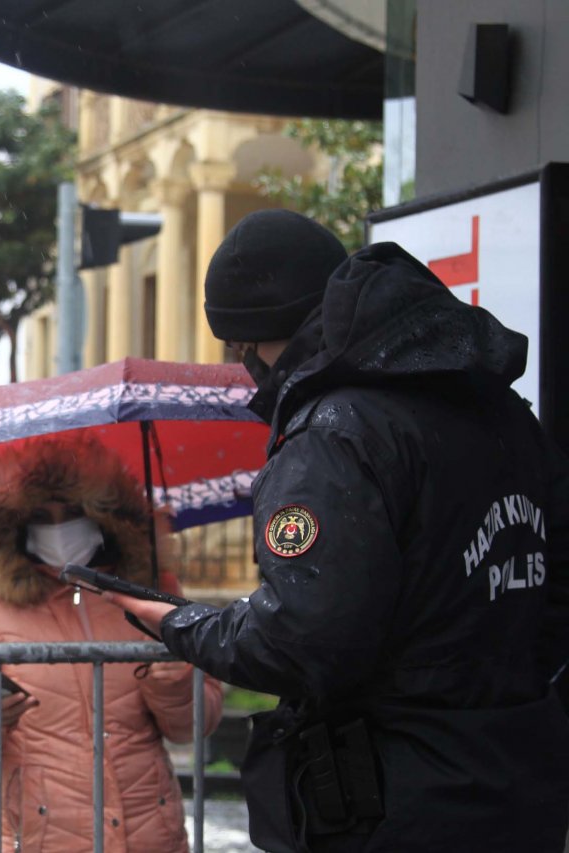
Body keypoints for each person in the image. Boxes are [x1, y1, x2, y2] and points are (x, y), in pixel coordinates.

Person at [105, 209, 569, 852]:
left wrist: (176, 622)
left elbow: (302, 639)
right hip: (518, 782)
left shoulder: (334, 432)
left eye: (239, 348)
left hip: (392, 802)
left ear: (256, 338)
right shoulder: (501, 412)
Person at [0, 435, 223, 852]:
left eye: (72, 511)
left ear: (103, 515)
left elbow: (195, 724)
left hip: (146, 832)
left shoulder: (150, 590)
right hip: (34, 834)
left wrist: (175, 683)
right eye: (42, 516)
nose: (58, 527)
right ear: (18, 524)